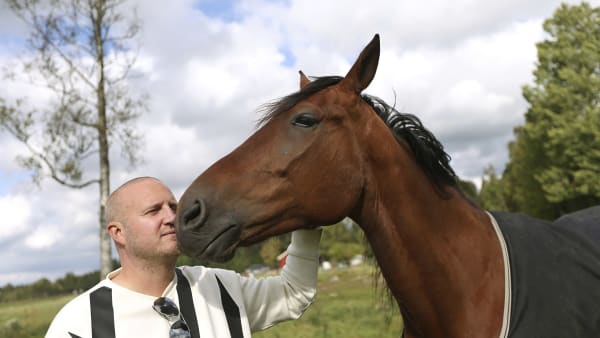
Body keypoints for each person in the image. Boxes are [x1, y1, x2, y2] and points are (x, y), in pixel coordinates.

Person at [46, 176, 322, 338]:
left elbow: (293, 293)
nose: (171, 218)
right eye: (154, 211)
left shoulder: (218, 286)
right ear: (118, 232)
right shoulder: (78, 324)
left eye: (173, 207)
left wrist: (309, 218)